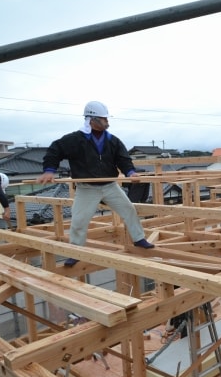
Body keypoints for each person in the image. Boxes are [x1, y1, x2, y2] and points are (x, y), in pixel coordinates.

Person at [36, 101, 154, 267]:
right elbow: (55, 150)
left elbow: (123, 159)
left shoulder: (112, 140)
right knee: (79, 220)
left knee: (129, 210)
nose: (106, 122)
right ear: (92, 119)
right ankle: (76, 251)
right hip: (87, 188)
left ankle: (139, 239)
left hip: (110, 185)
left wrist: (130, 172)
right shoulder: (75, 140)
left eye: (106, 118)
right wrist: (49, 170)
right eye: (103, 119)